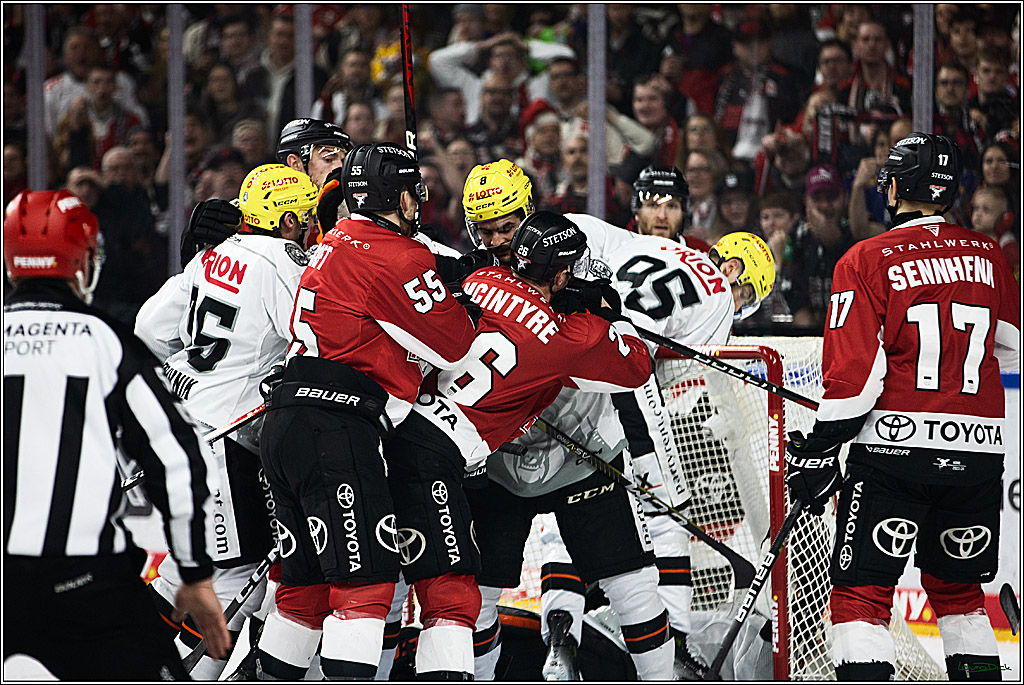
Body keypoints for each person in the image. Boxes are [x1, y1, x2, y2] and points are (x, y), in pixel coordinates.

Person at [784, 133, 1019, 680]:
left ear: (891, 188)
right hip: (979, 453)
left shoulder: (865, 259)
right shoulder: (986, 252)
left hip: (895, 451)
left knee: (862, 596)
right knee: (959, 590)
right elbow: (1011, 343)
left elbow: (856, 381)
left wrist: (819, 448)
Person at [386, 210, 655, 679]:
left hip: (395, 434)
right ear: (564, 273)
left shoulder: (478, 279)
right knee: (451, 597)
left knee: (382, 588)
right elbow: (635, 367)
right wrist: (608, 314)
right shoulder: (566, 335)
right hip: (443, 459)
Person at [255, 143, 479, 680]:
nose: (419, 200)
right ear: (396, 195)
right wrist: (461, 298)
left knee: (302, 596)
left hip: (284, 423)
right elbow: (454, 347)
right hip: (339, 429)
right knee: (366, 588)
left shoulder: (334, 240)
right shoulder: (400, 255)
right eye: (413, 190)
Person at [3, 189, 229, 679]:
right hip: (88, 582)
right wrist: (194, 573)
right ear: (83, 261)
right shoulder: (103, 341)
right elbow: (176, 459)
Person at [134, 164, 319, 679]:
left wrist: (198, 368)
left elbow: (149, 326)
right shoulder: (286, 261)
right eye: (303, 219)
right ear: (286, 218)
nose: (306, 228)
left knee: (182, 565)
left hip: (170, 421)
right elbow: (315, 340)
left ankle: (124, 657)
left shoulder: (211, 255)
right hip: (221, 442)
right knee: (238, 577)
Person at [631, 164, 711, 252]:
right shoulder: (618, 252)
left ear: (683, 212)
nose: (662, 216)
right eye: (653, 205)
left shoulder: (703, 254)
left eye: (671, 206)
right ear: (637, 212)